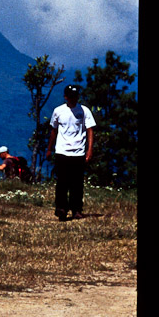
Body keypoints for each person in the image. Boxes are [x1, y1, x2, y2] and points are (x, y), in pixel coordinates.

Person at [45, 84, 96, 221]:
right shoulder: (58, 111)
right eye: (71, 97)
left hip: (78, 152)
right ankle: (61, 208)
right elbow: (53, 130)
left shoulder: (84, 111)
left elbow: (90, 130)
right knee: (62, 182)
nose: (73, 99)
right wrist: (49, 149)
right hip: (62, 151)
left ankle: (76, 210)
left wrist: (89, 150)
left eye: (75, 96)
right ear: (66, 97)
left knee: (77, 183)